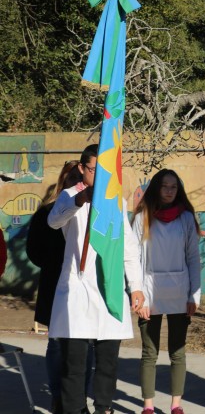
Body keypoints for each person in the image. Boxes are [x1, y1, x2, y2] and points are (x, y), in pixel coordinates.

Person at [48, 144, 145, 414]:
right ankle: (75, 409)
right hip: (78, 290)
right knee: (74, 364)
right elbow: (54, 221)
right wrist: (82, 199)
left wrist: (136, 286)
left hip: (108, 287)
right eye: (94, 170)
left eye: (105, 170)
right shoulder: (70, 196)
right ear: (82, 169)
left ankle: (104, 408)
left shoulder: (116, 202)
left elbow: (128, 247)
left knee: (107, 361)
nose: (99, 176)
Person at [131, 169, 201, 414]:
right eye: (165, 186)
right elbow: (134, 258)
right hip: (149, 293)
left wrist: (194, 295)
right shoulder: (143, 217)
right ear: (156, 188)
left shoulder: (186, 218)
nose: (170, 191)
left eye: (174, 187)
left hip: (179, 293)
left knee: (177, 352)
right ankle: (148, 406)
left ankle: (176, 404)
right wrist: (138, 294)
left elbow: (193, 258)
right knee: (149, 352)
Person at [27, 161, 91, 414]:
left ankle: (80, 398)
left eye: (80, 177)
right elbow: (33, 250)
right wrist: (56, 264)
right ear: (63, 181)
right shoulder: (47, 212)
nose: (76, 182)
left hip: (84, 286)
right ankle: (58, 398)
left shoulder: (93, 210)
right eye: (71, 177)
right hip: (55, 285)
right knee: (56, 344)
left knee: (86, 344)